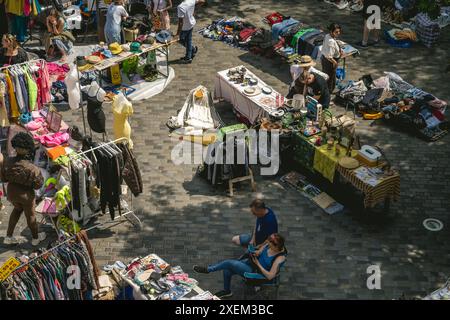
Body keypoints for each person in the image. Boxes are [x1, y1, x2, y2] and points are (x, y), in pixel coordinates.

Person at [193, 233, 287, 298]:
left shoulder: (279, 258)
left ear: (276, 246)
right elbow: (259, 252)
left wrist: (258, 263)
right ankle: (227, 291)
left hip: (256, 273)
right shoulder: (269, 244)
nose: (267, 244)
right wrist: (255, 252)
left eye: (270, 244)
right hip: (252, 263)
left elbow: (270, 276)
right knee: (227, 270)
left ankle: (208, 270)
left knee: (229, 263)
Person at [1, 132, 46, 246]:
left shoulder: (7, 161)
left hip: (11, 193)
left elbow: (4, 178)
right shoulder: (32, 168)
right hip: (26, 195)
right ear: (28, 149)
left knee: (16, 210)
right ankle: (36, 238)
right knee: (30, 216)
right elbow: (38, 185)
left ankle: (8, 236)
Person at [321, 23, 343, 93]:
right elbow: (329, 56)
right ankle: (328, 92)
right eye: (336, 32)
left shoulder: (327, 36)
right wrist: (335, 63)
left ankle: (327, 89)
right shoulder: (331, 42)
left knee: (328, 76)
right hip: (330, 61)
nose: (338, 33)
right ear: (331, 31)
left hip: (324, 59)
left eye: (339, 31)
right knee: (330, 78)